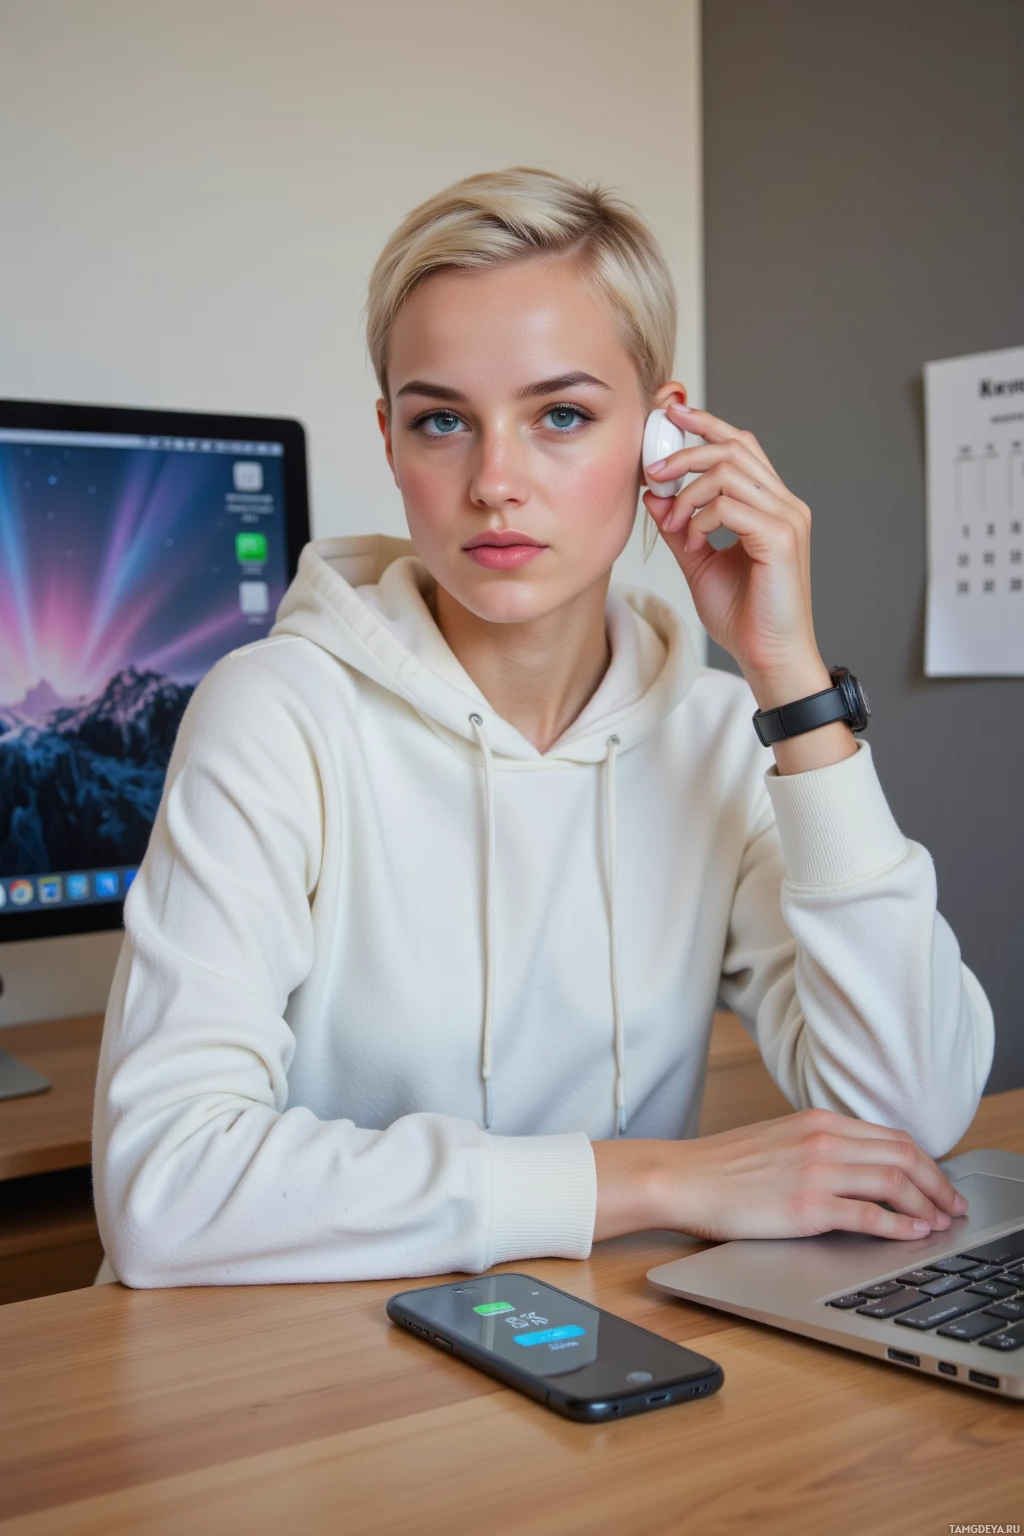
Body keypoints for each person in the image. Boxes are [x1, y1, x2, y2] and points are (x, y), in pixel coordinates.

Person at [92, 166, 994, 1288]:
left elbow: (908, 1116)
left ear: (662, 436)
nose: (494, 481)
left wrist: (790, 680)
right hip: (308, 1364)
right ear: (389, 443)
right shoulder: (276, 711)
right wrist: (651, 1181)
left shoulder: (722, 736)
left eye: (561, 415)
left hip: (599, 1350)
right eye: (441, 422)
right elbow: (164, 1190)